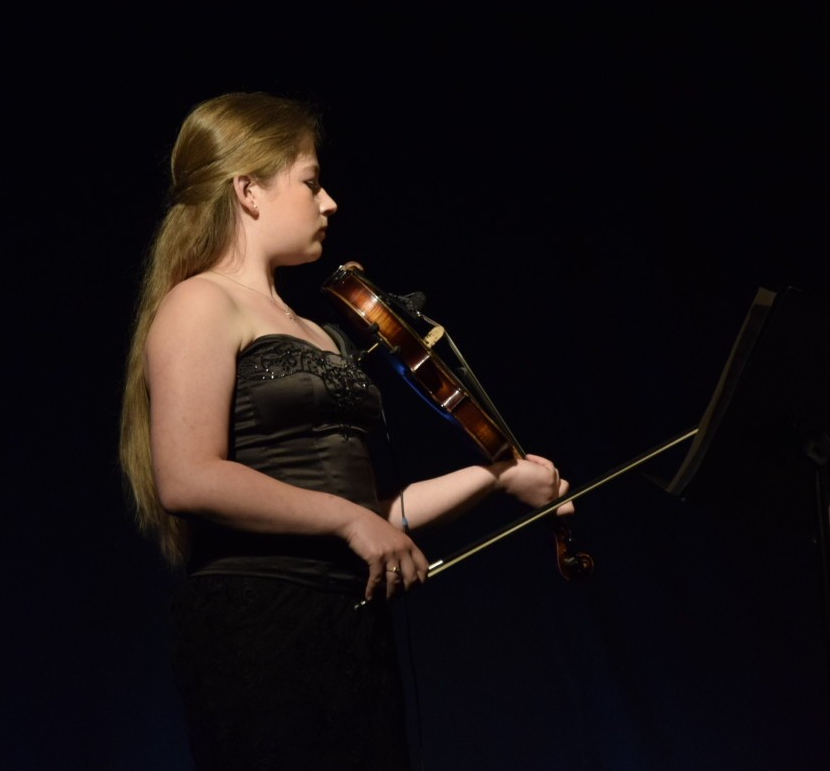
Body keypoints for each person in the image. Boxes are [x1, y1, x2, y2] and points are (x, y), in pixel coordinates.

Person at [119, 91, 573, 770]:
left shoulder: (321, 332)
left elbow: (373, 514)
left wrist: (497, 475)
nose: (329, 203)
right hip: (261, 621)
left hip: (352, 622)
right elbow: (187, 477)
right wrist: (349, 522)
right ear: (247, 190)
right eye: (311, 182)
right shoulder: (200, 302)